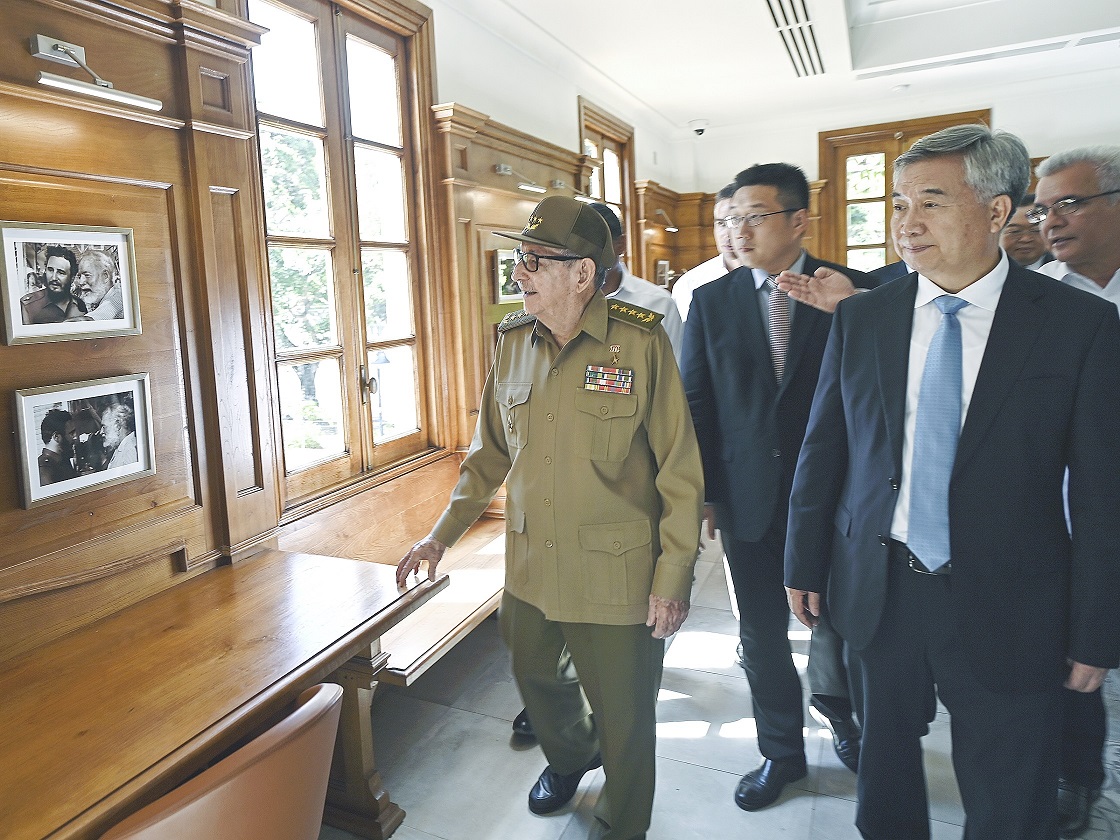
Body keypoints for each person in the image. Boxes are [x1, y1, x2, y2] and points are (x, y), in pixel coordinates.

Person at [784, 124, 1120, 840]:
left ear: (997, 212)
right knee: (884, 775)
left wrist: (1096, 628)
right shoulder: (865, 318)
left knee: (1010, 792)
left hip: (1013, 595)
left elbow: (1101, 492)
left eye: (930, 202)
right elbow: (826, 447)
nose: (906, 223)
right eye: (901, 204)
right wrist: (804, 560)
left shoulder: (1078, 325)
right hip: (880, 585)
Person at [397, 196, 704, 840]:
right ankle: (571, 755)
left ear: (582, 273)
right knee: (535, 674)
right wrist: (438, 536)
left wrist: (673, 576)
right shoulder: (513, 343)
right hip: (533, 563)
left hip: (618, 569)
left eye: (534, 261)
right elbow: (487, 456)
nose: (519, 274)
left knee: (625, 716)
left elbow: (680, 468)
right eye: (519, 260)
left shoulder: (640, 342)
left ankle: (623, 822)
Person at [681, 162, 872, 812]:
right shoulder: (711, 302)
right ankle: (781, 753)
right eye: (731, 218)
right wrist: (705, 490)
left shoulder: (855, 292)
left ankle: (850, 725)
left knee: (843, 628)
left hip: (842, 503)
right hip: (750, 502)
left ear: (798, 220)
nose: (737, 231)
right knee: (761, 635)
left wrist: (858, 309)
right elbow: (697, 401)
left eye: (753, 216)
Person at [1033, 145, 1120, 838]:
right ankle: (1079, 777)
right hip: (1068, 516)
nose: (1050, 221)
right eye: (1042, 208)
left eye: (1070, 203)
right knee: (1077, 655)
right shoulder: (1036, 303)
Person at [587, 202, 685, 361]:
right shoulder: (561, 304)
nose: (588, 254)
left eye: (598, 243)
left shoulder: (659, 304)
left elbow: (675, 373)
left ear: (621, 245)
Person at [671, 183, 741, 321]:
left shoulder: (773, 278)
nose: (726, 234)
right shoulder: (690, 283)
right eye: (720, 224)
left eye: (735, 222)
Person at [20, 245, 84, 324]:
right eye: (50, 270)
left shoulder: (80, 306)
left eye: (61, 273)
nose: (54, 278)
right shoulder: (29, 305)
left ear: (72, 278)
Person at [1000, 193, 1053, 270]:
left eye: (1035, 230)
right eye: (1015, 231)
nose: (1026, 239)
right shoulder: (984, 271)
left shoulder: (1063, 271)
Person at [72, 250, 125, 320]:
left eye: (87, 275)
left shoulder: (118, 297)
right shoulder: (102, 298)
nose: (81, 282)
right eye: (79, 276)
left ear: (105, 276)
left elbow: (96, 318)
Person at [37, 408, 78, 486]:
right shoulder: (44, 469)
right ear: (56, 437)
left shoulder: (63, 459)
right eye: (71, 433)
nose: (75, 437)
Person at [101, 403, 138, 469]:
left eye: (104, 427)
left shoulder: (129, 451)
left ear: (117, 425)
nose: (101, 432)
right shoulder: (121, 447)